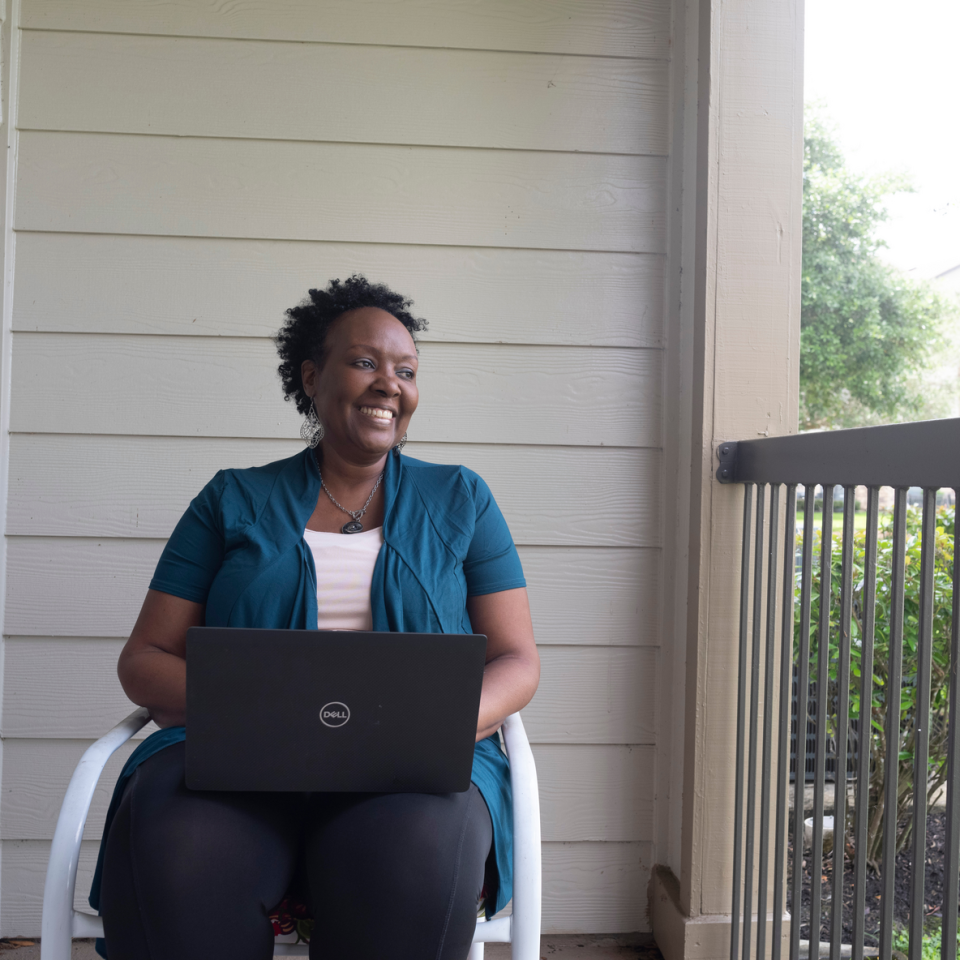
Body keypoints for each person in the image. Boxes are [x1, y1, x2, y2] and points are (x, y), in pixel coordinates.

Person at [90, 276, 540, 960]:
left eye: (406, 370)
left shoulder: (462, 500)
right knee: (178, 845)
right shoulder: (231, 498)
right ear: (311, 375)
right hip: (233, 764)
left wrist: (436, 725)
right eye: (365, 362)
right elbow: (145, 658)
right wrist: (258, 714)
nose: (389, 383)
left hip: (410, 771)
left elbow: (517, 658)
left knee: (413, 856)